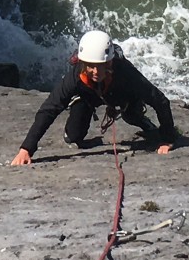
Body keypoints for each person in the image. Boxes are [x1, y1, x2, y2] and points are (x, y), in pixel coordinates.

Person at [10, 30, 176, 165]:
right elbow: (50, 108)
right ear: (83, 63)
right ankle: (78, 102)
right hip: (89, 95)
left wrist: (167, 139)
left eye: (101, 66)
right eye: (91, 66)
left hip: (121, 95)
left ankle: (140, 118)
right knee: (73, 137)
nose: (96, 72)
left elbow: (160, 100)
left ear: (109, 63)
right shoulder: (76, 76)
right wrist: (27, 148)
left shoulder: (125, 72)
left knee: (131, 116)